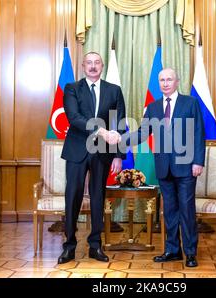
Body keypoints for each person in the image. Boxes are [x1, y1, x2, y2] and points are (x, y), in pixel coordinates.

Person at [101, 68, 205, 267]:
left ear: (177, 81)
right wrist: (121, 138)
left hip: (186, 167)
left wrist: (198, 161)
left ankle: (190, 253)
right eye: (162, 80)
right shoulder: (153, 107)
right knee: (170, 211)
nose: (165, 83)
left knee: (186, 211)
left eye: (169, 79)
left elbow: (199, 133)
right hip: (164, 167)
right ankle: (172, 250)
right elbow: (142, 133)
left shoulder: (190, 103)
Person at [58, 52, 126, 264]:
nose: (93, 66)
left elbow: (119, 123)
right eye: (89, 63)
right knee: (73, 196)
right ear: (83, 66)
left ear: (102, 66)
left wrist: (118, 155)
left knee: (98, 197)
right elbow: (74, 117)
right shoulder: (72, 88)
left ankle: (95, 246)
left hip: (103, 153)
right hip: (77, 150)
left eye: (97, 63)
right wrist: (101, 132)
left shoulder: (114, 90)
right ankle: (69, 246)